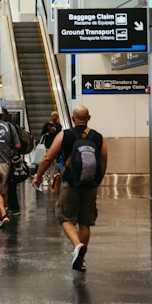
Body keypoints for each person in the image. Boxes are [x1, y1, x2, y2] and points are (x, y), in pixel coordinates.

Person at [34, 105, 109, 273]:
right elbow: (103, 163)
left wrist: (38, 176)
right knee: (85, 222)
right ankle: (81, 260)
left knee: (65, 217)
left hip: (70, 183)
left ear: (73, 118)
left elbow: (48, 158)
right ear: (88, 118)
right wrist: (96, 181)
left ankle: (77, 246)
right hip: (90, 184)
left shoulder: (64, 135)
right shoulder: (98, 138)